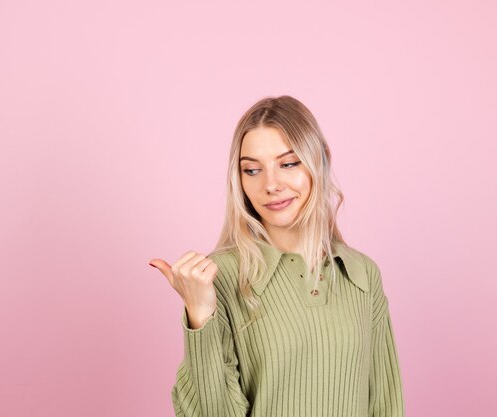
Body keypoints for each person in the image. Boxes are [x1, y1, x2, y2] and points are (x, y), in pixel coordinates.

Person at [149, 95, 405, 417]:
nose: (271, 185)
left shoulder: (362, 274)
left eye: (288, 163)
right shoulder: (222, 276)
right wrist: (200, 313)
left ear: (321, 160)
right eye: (252, 170)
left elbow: (386, 404)